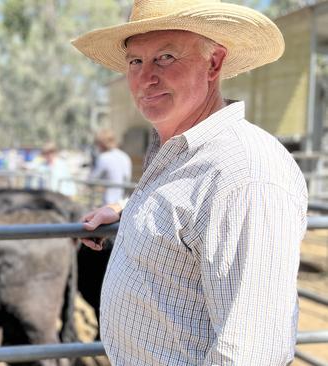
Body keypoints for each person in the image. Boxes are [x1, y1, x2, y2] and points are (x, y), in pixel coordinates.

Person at [72, 1, 308, 365]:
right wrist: (126, 211)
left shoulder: (244, 175)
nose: (145, 76)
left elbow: (251, 353)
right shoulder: (184, 153)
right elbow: (190, 213)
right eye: (135, 61)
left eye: (165, 57)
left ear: (213, 63)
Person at [89, 129, 132, 205]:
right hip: (123, 203)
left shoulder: (104, 157)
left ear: (101, 144)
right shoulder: (125, 156)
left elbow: (91, 179)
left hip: (109, 202)